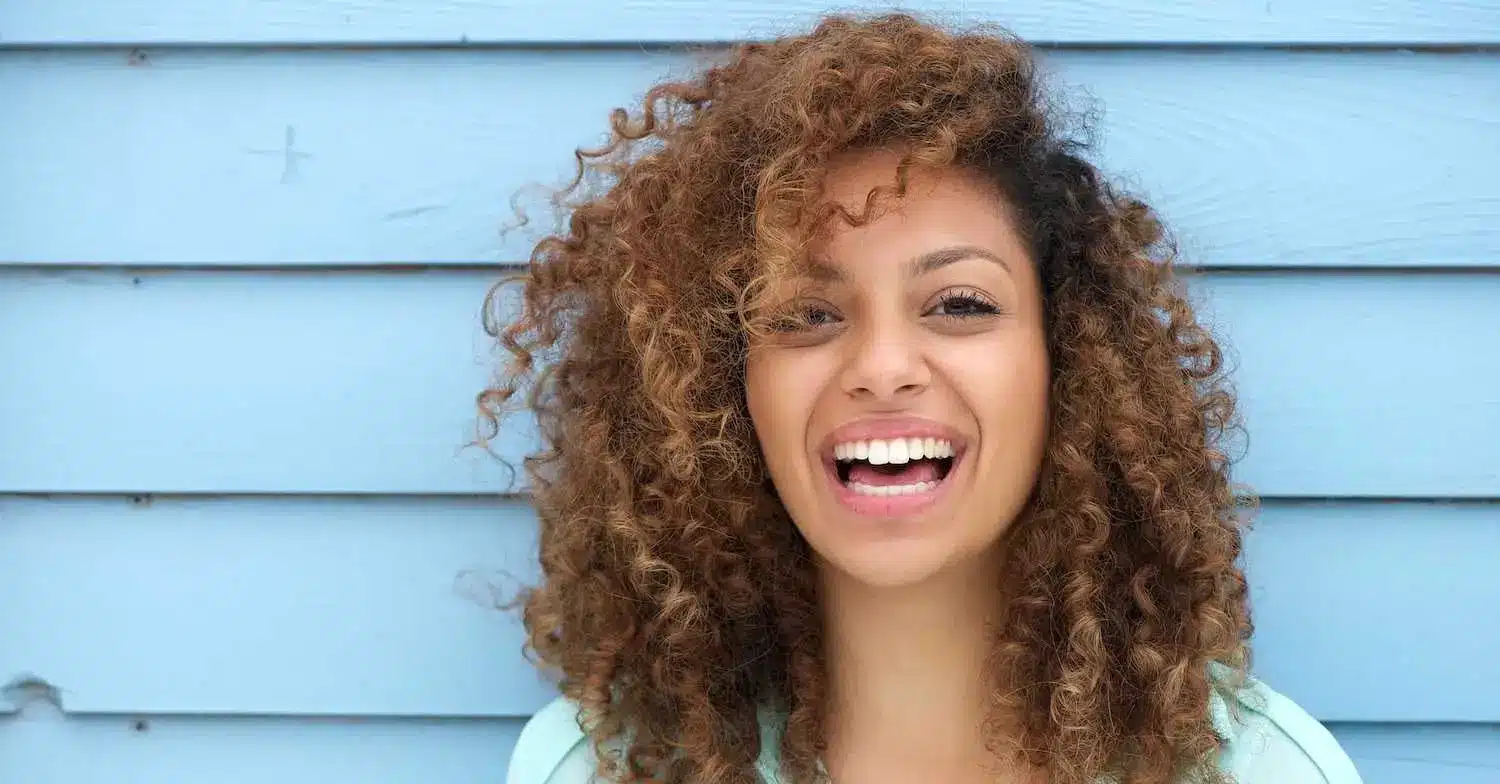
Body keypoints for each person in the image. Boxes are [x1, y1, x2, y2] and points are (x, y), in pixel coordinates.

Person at [485, 12, 1363, 784]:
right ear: (719, 392)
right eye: (805, 313)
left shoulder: (1257, 772)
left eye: (959, 305)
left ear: (1069, 360)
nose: (883, 365)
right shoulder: (596, 768)